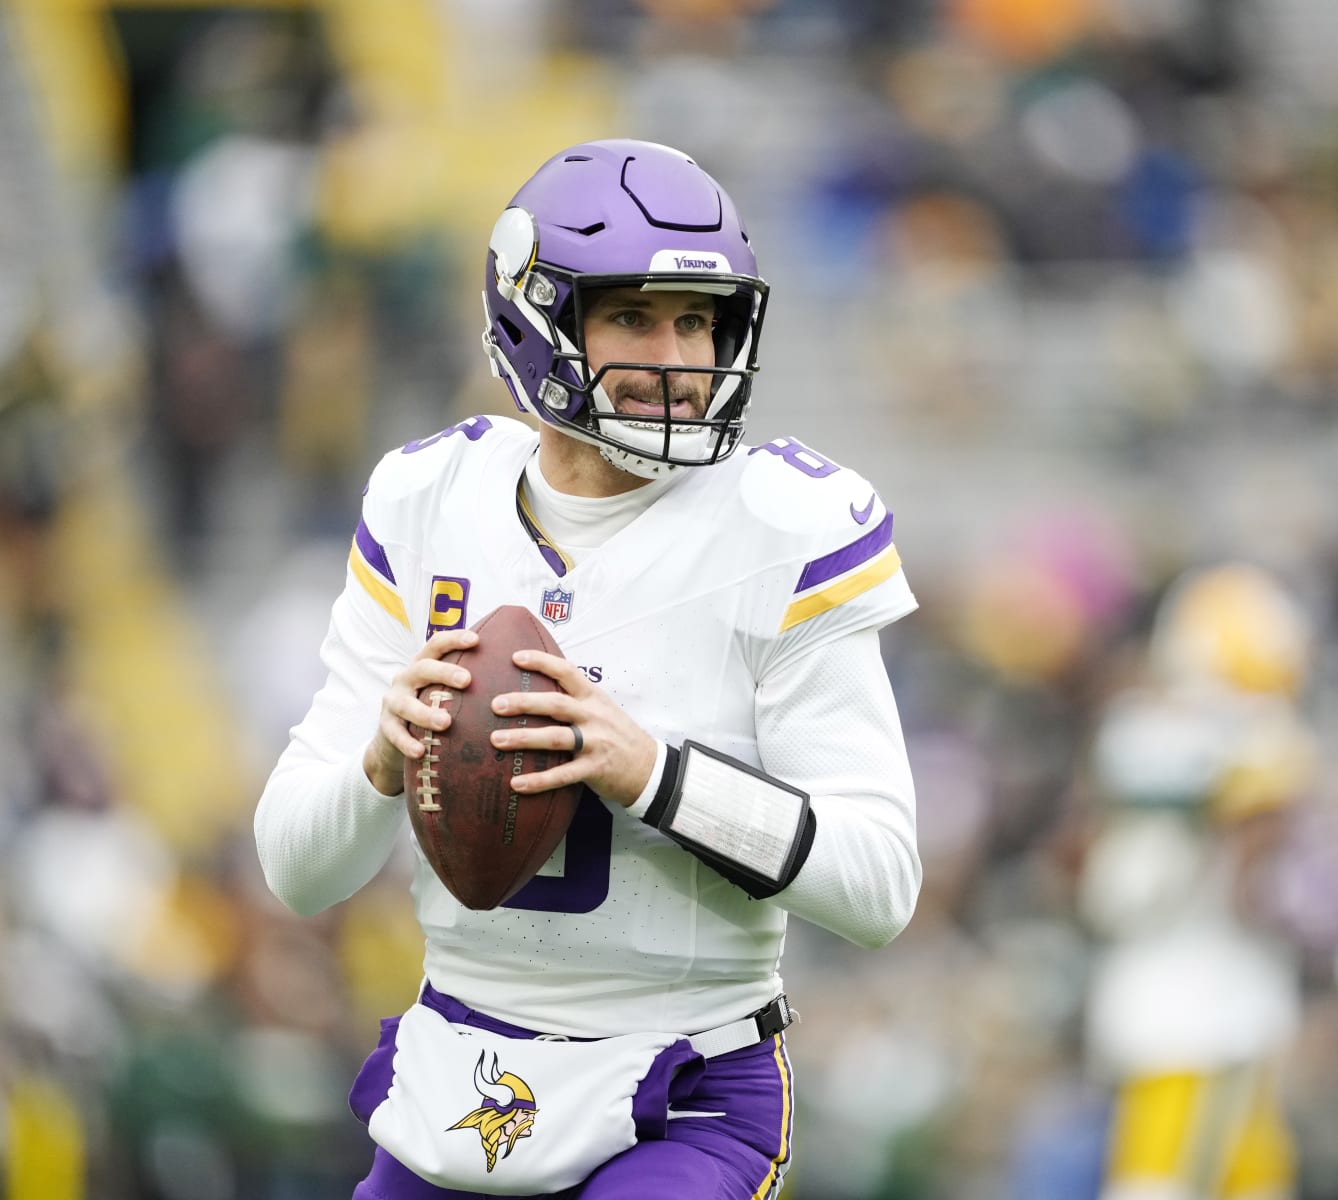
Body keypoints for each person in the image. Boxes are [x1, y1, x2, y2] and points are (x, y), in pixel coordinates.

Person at [254, 139, 922, 1200]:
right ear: (538, 318)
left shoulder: (785, 527)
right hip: (459, 1068)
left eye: (698, 323)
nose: (678, 359)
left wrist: (654, 775)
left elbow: (879, 886)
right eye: (635, 318)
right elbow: (298, 871)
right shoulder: (430, 501)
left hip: (683, 1087)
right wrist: (380, 760)